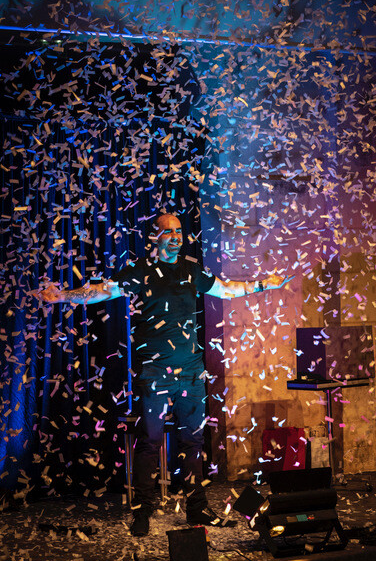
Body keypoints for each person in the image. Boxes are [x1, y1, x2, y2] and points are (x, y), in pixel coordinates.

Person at [38, 213, 290, 536]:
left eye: (179, 231)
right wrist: (62, 296)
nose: (175, 237)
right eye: (168, 232)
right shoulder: (140, 271)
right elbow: (103, 291)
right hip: (155, 373)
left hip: (191, 373)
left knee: (193, 441)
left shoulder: (191, 270)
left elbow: (227, 290)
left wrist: (264, 284)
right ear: (154, 237)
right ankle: (143, 510)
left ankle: (196, 507)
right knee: (150, 441)